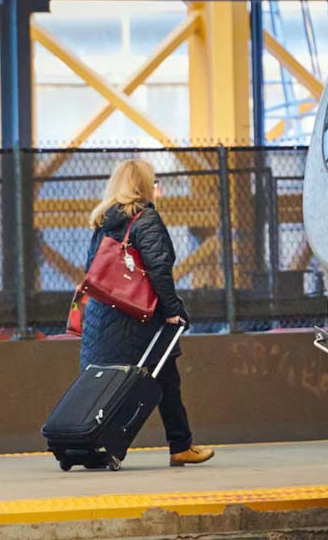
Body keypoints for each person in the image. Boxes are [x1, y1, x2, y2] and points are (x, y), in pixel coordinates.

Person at [81, 159, 214, 467]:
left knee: (155, 377)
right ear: (143, 186)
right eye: (153, 182)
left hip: (103, 317)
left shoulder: (102, 222)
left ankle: (92, 439)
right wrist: (172, 310)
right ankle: (176, 444)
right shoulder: (145, 219)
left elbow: (92, 270)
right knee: (158, 378)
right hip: (140, 317)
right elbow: (159, 270)